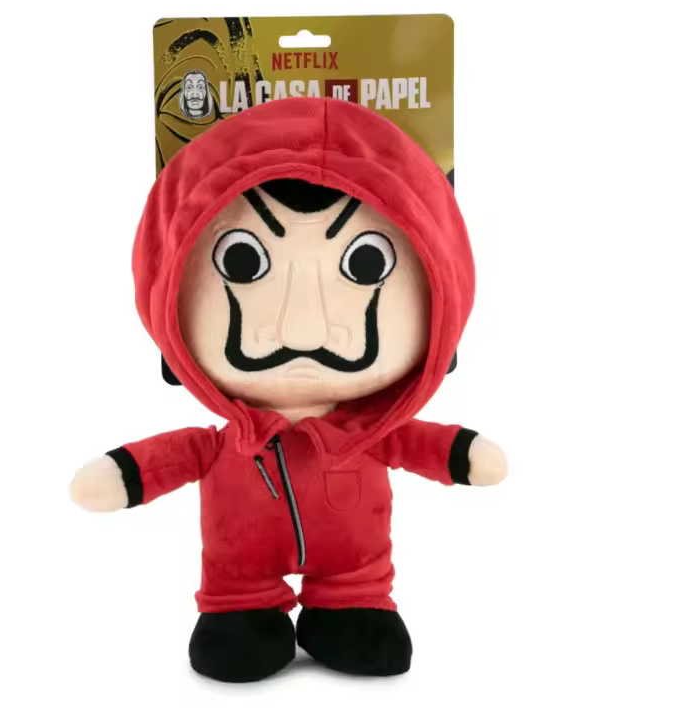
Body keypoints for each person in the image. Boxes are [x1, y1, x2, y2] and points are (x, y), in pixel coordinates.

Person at [70, 97, 508, 683]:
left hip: (355, 571)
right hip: (237, 576)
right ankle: (242, 607)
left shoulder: (370, 436)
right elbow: (172, 458)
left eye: (367, 262)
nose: (304, 327)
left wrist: (461, 452)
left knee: (361, 620)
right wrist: (124, 473)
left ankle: (350, 603)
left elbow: (424, 445)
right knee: (235, 639)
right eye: (242, 260)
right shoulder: (223, 444)